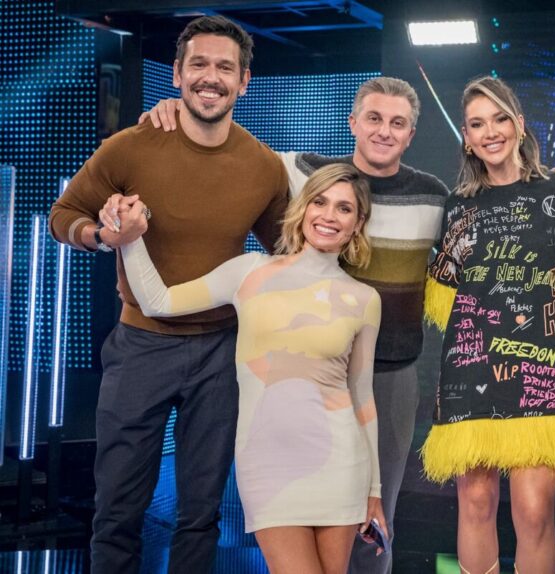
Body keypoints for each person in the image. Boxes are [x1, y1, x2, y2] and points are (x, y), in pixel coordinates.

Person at [142, 76, 448, 574]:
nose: (384, 131)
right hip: (305, 371)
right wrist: (174, 116)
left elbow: (475, 232)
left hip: (389, 376)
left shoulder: (434, 196)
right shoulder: (306, 171)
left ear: (411, 134)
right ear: (352, 122)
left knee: (375, 527)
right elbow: (229, 149)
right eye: (374, 117)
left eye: (398, 123)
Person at [48, 16, 290, 573]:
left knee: (202, 510)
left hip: (221, 354)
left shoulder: (262, 165)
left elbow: (287, 251)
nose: (211, 77)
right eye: (199, 65)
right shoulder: (131, 146)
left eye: (224, 67)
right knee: (118, 507)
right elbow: (66, 215)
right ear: (177, 75)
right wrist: (102, 236)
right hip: (140, 347)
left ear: (244, 81)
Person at [120, 163, 385, 574]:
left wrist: (374, 492)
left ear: (358, 222)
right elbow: (159, 302)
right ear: (303, 207)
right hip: (268, 464)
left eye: (344, 208)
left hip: (341, 465)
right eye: (320, 201)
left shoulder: (364, 298)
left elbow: (361, 395)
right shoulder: (250, 271)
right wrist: (129, 239)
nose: (329, 216)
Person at [422, 76, 555, 574]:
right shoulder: (458, 206)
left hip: (541, 367)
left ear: (519, 125)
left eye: (500, 119)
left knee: (534, 509)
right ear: (467, 136)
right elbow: (443, 297)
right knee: (475, 503)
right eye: (478, 124)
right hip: (470, 366)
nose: (491, 131)